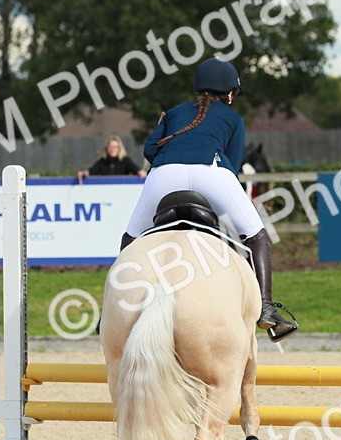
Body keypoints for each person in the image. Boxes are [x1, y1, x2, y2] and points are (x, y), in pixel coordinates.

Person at [121, 57, 298, 341]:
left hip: (164, 173)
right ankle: (266, 309)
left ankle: (113, 312)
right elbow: (236, 163)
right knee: (257, 236)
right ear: (230, 94)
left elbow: (150, 151)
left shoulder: (176, 112)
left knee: (131, 238)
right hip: (211, 171)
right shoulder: (233, 118)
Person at [77, 136, 146, 182]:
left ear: (119, 148)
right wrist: (83, 173)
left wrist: (141, 173)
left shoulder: (125, 160)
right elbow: (91, 171)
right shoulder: (102, 162)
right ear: (106, 149)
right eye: (110, 147)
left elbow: (137, 170)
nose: (112, 149)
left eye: (115, 147)